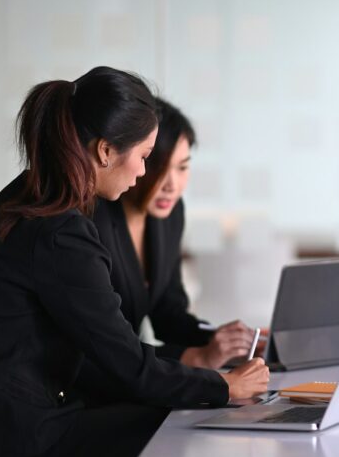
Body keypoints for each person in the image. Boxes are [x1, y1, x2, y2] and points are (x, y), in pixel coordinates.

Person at [0, 67, 270, 457]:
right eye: (143, 155)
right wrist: (224, 386)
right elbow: (126, 363)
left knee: (168, 426)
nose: (144, 171)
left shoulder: (38, 198)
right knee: (178, 438)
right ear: (105, 151)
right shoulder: (58, 231)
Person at [89, 98, 253, 373]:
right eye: (158, 167)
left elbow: (169, 313)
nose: (172, 185)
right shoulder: (94, 221)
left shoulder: (169, 217)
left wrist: (224, 342)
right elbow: (111, 348)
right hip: (99, 380)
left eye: (183, 167)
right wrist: (198, 359)